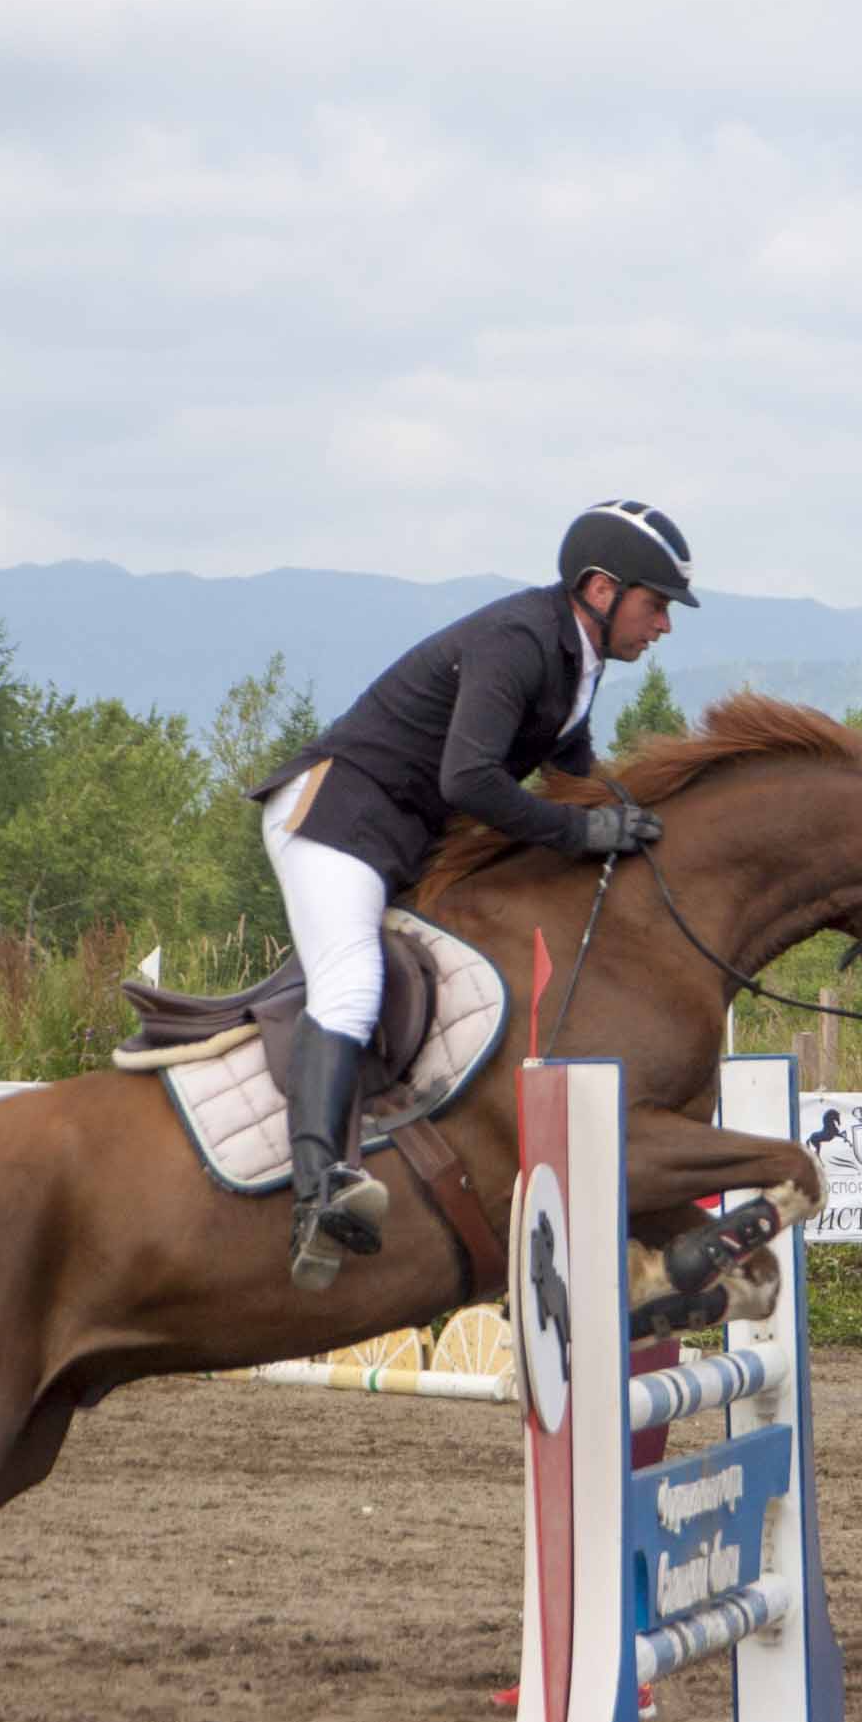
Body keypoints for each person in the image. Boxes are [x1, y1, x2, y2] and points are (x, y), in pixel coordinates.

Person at [230, 500, 695, 1289]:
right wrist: (582, 834)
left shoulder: (577, 662)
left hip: (403, 834)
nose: (663, 626)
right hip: (336, 816)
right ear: (599, 588)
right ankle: (319, 1189)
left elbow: (572, 775)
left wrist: (646, 826)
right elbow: (469, 779)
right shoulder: (518, 641)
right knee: (351, 983)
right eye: (656, 604)